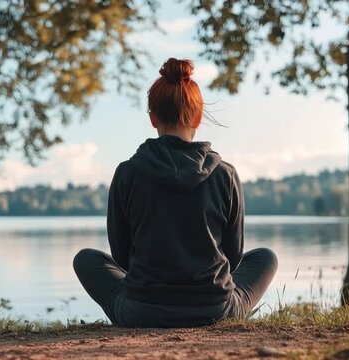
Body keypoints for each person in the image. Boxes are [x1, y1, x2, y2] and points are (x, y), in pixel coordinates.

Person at [73, 58, 278, 328]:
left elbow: (121, 257)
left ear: (152, 118)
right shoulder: (225, 174)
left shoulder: (127, 173)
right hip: (216, 310)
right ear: (198, 117)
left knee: (86, 259)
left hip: (141, 311)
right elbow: (234, 256)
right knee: (265, 257)